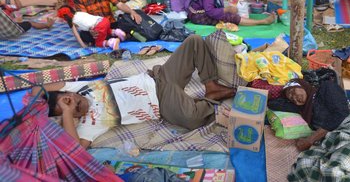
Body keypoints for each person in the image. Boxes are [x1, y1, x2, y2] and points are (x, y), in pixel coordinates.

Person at [36, 35, 236, 149]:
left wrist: (50, 98)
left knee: (194, 41)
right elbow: (75, 149)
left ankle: (211, 86)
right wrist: (67, 112)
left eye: (68, 98)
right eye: (71, 108)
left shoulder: (75, 87)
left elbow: (38, 87)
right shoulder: (88, 125)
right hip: (161, 101)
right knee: (191, 118)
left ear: (66, 91)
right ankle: (209, 101)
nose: (73, 102)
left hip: (158, 77)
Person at [268, 77, 350, 180]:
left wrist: (311, 139)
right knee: (305, 166)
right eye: (291, 97)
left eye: (293, 91)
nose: (294, 97)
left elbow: (341, 112)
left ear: (303, 85)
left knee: (342, 160)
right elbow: (273, 104)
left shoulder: (326, 88)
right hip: (334, 136)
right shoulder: (304, 110)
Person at [57, 5, 125, 50]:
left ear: (65, 18)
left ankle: (112, 42)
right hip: (104, 20)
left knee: (99, 43)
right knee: (107, 31)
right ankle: (117, 32)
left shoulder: (72, 22)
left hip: (99, 26)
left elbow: (77, 35)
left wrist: (83, 46)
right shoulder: (79, 13)